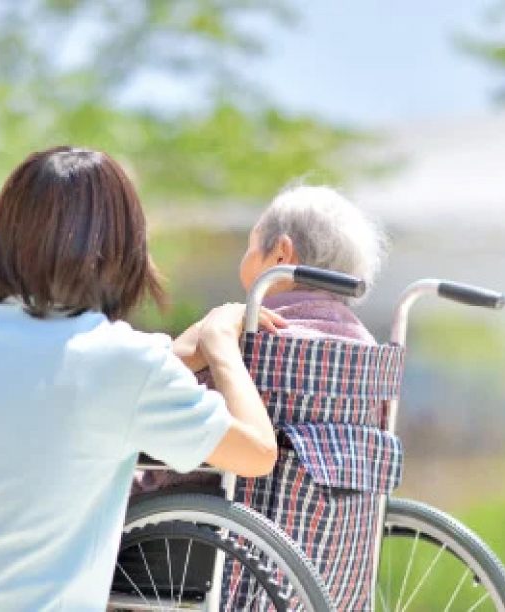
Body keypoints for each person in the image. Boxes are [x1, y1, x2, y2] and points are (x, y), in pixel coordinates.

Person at [0, 146, 286, 612]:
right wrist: (220, 345)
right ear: (121, 249)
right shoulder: (121, 365)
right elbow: (257, 452)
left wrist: (167, 355)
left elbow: (54, 382)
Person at [133, 184, 388, 495]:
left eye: (250, 245)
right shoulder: (367, 348)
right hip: (324, 528)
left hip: (199, 520)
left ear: (281, 252)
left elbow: (160, 405)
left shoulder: (248, 334)